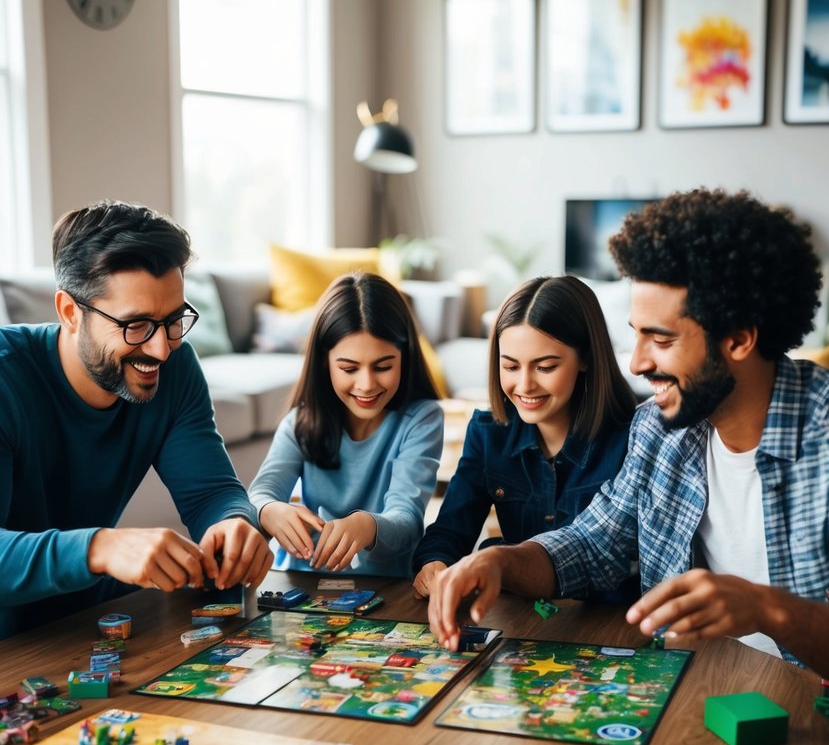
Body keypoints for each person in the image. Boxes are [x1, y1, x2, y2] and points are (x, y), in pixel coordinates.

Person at [429, 188, 829, 677]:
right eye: (635, 333)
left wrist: (770, 610)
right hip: (684, 689)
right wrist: (500, 563)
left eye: (660, 339)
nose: (638, 363)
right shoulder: (658, 429)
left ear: (740, 338)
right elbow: (594, 544)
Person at [0, 201, 273, 639]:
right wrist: (101, 546)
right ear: (70, 312)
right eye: (137, 325)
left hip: (99, 621)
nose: (162, 349)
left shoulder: (175, 368)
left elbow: (210, 492)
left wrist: (233, 522)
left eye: (173, 321)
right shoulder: (6, 379)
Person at [412, 276, 636, 599]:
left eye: (544, 367)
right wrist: (435, 562)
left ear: (585, 357)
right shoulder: (488, 434)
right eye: (511, 366)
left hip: (604, 627)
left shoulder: (632, 440)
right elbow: (449, 530)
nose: (525, 385)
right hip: (522, 623)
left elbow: (614, 565)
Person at [249, 271, 443, 577]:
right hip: (302, 583)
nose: (366, 384)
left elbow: (407, 521)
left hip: (387, 589)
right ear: (324, 362)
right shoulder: (301, 421)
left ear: (404, 357)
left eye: (383, 366)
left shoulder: (422, 418)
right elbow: (261, 493)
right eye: (349, 368)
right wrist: (269, 510)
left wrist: (366, 526)